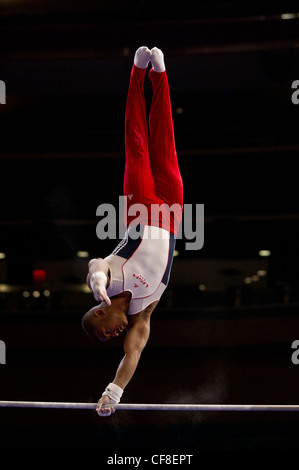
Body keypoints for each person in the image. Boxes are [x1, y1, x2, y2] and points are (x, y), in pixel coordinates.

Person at [82, 46, 183, 417]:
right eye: (112, 339)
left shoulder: (105, 284)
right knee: (166, 143)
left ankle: (137, 73)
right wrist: (114, 392)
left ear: (97, 313)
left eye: (105, 332)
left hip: (140, 206)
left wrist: (95, 282)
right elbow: (135, 352)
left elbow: (97, 264)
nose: (115, 335)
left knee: (137, 144)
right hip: (171, 214)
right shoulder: (143, 314)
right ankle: (160, 75)